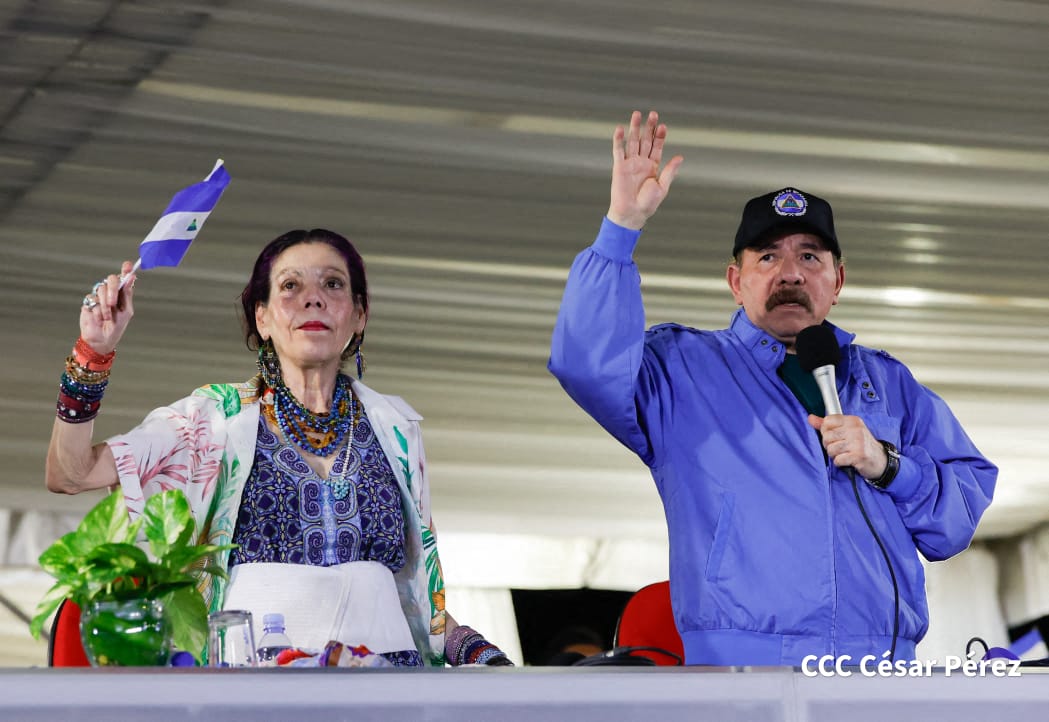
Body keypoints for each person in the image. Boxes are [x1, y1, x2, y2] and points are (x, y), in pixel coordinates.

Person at [548, 110, 998, 667]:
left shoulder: (889, 384)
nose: (790, 274)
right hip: (743, 673)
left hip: (879, 672)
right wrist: (620, 228)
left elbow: (955, 520)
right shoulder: (682, 369)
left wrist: (889, 464)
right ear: (736, 281)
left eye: (810, 256)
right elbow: (585, 365)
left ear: (837, 281)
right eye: (768, 257)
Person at [46, 228, 511, 667]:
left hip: (388, 688)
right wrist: (92, 354)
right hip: (256, 691)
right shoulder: (212, 419)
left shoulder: (397, 429)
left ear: (358, 315)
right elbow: (71, 473)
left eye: (333, 283)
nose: (313, 297)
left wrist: (476, 651)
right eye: (290, 286)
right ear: (262, 318)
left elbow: (412, 595)